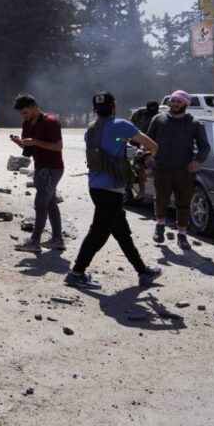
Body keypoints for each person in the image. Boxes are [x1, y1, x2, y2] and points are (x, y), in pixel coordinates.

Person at [65, 91, 163, 290]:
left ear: (94, 109)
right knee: (98, 232)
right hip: (111, 189)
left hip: (96, 186)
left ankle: (143, 272)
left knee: (122, 233)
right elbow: (153, 146)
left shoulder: (90, 129)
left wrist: (122, 143)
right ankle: (76, 273)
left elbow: (106, 149)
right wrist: (145, 155)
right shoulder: (121, 125)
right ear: (114, 107)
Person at [146, 90, 210, 249]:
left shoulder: (195, 123)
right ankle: (159, 226)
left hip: (184, 171)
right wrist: (146, 154)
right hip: (162, 168)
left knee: (183, 202)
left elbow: (204, 147)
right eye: (173, 101)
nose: (174, 104)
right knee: (161, 199)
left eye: (179, 101)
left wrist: (197, 161)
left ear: (186, 104)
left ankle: (182, 235)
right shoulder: (158, 119)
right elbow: (148, 140)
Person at [10, 94, 66, 253]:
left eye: (26, 112)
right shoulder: (26, 123)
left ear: (35, 107)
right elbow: (28, 148)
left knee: (41, 204)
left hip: (52, 169)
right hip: (40, 168)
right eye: (21, 113)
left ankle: (35, 241)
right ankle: (57, 240)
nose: (24, 116)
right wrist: (20, 143)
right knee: (50, 203)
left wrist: (35, 141)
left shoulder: (51, 122)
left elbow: (58, 147)